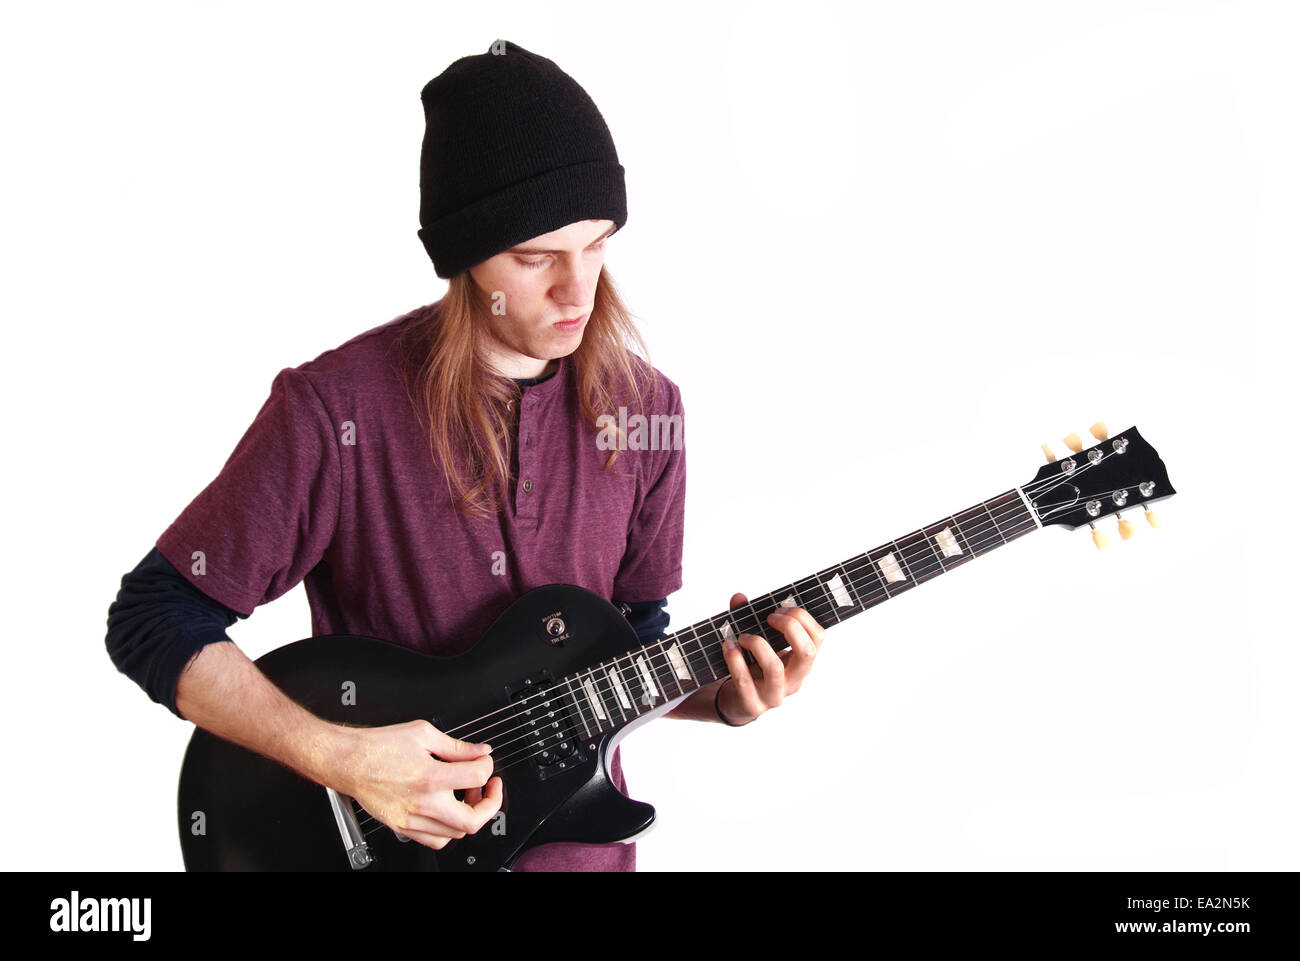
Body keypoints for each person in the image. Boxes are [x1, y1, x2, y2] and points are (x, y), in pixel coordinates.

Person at [106, 39, 826, 872]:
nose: (578, 290)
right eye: (534, 257)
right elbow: (155, 616)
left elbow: (629, 654)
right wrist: (340, 757)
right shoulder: (336, 409)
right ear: (464, 257)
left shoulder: (648, 412)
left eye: (597, 243)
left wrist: (729, 697)